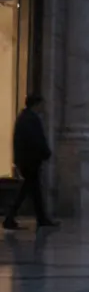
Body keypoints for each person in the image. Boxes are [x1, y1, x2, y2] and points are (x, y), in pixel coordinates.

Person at [4, 94, 56, 230]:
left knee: (33, 190)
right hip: (30, 161)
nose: (43, 108)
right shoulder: (31, 119)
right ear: (36, 105)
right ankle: (11, 217)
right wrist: (45, 153)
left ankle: (41, 218)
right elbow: (36, 140)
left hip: (27, 160)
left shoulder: (24, 118)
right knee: (27, 189)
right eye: (41, 104)